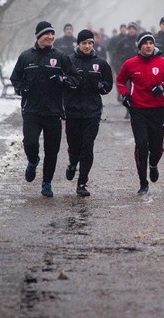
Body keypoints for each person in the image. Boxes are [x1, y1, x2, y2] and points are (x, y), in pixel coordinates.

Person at [10, 20, 78, 197]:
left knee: (52, 150)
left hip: (53, 112)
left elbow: (75, 78)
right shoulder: (26, 57)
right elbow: (15, 78)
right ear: (39, 36)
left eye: (52, 34)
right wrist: (21, 88)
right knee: (30, 143)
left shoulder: (61, 57)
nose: (51, 37)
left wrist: (63, 81)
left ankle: (47, 183)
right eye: (47, 34)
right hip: (31, 111)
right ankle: (33, 161)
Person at [115, 32, 164, 195]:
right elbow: (121, 80)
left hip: (157, 109)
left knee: (156, 147)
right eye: (145, 43)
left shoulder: (163, 62)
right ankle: (143, 182)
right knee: (142, 145)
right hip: (138, 109)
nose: (149, 46)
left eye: (151, 43)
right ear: (139, 46)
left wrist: (163, 86)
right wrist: (125, 94)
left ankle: (153, 164)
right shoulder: (130, 64)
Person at [64, 29, 114, 197]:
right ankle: (72, 163)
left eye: (90, 43)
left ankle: (82, 182)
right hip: (72, 111)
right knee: (74, 147)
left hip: (92, 112)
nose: (87, 46)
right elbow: (62, 83)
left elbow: (108, 82)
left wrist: (103, 87)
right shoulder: (69, 61)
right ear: (78, 44)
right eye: (84, 43)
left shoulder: (100, 63)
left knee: (88, 146)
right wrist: (68, 84)